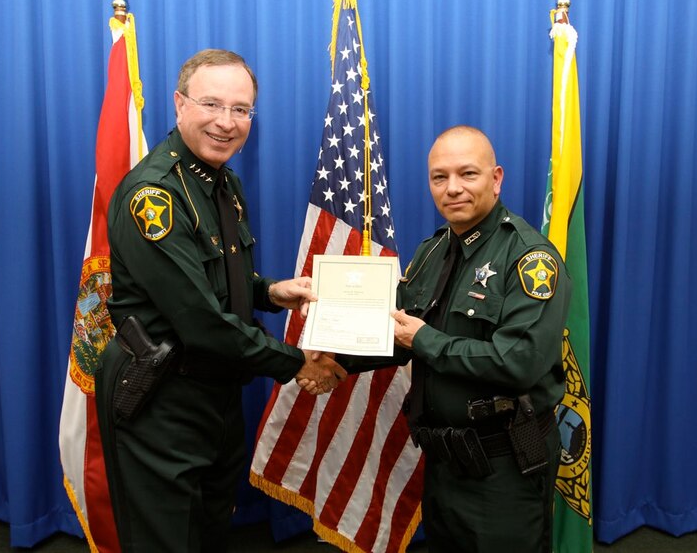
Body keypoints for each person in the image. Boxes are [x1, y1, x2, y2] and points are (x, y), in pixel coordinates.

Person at [94, 49, 346, 552]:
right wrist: (298, 364)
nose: (226, 122)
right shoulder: (155, 197)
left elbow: (215, 284)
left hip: (217, 391)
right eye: (211, 104)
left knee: (210, 530)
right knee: (166, 539)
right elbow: (200, 320)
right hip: (161, 394)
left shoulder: (223, 183)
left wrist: (270, 291)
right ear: (179, 104)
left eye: (241, 109)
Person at [387, 125, 571, 552]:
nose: (452, 188)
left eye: (467, 174)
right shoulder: (431, 252)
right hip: (445, 460)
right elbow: (396, 330)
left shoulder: (529, 259)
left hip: (504, 467)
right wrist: (327, 356)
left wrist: (427, 341)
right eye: (439, 177)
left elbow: (519, 361)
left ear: (496, 178)